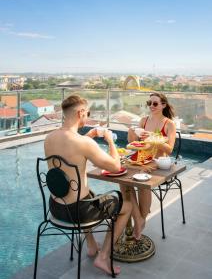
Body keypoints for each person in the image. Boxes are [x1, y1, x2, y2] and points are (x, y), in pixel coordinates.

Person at [44, 94, 132, 276]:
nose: (87, 116)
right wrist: (109, 140)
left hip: (55, 207)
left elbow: (70, 148)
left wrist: (87, 137)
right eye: (87, 112)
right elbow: (115, 166)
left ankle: (92, 246)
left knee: (88, 194)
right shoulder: (84, 143)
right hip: (79, 212)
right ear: (81, 113)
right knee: (127, 207)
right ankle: (103, 256)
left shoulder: (49, 138)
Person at [127, 92, 176, 240]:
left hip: (157, 163)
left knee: (142, 180)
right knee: (123, 183)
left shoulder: (169, 124)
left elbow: (170, 149)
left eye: (155, 103)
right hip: (141, 159)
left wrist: (155, 138)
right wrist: (132, 133)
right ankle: (139, 219)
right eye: (149, 103)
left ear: (163, 105)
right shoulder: (143, 121)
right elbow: (133, 146)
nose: (151, 106)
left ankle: (140, 222)